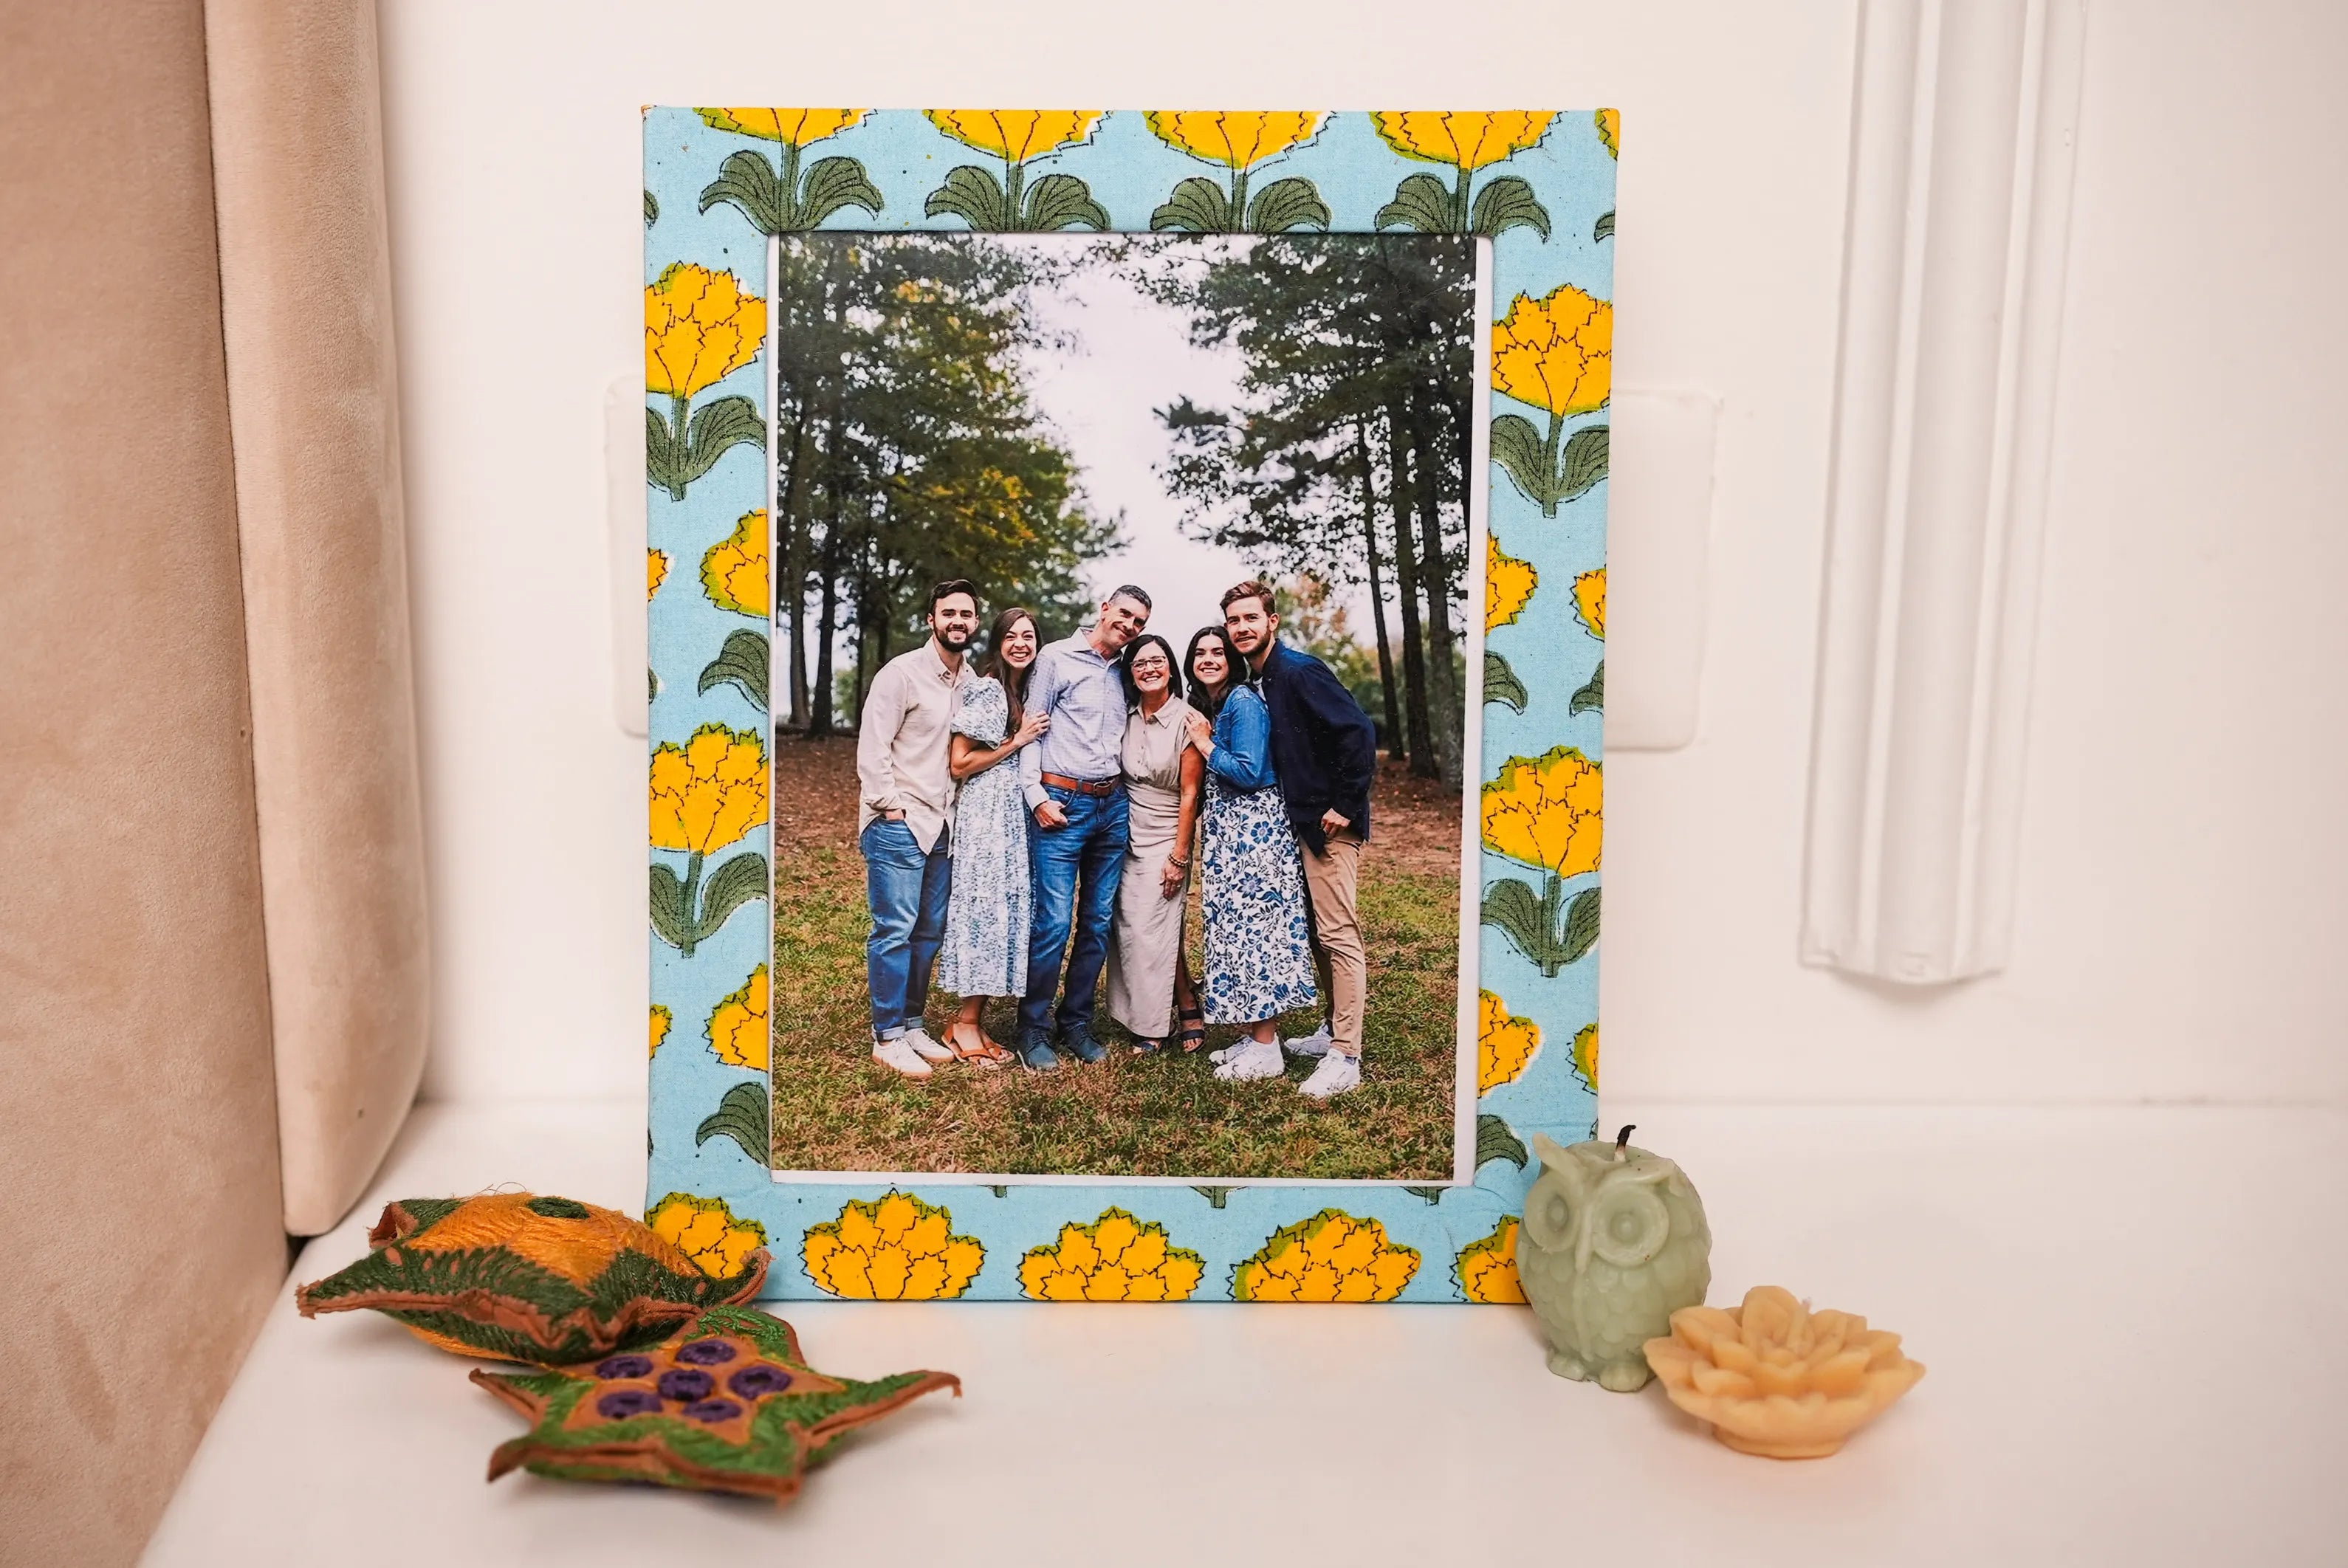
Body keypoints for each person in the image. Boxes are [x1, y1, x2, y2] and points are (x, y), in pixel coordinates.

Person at [1216, 579, 1380, 1099]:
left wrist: (1344, 806)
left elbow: (1359, 732)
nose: (1241, 628)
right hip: (1298, 826)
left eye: (1251, 618)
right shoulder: (1264, 680)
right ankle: (1332, 1029)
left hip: (1329, 826)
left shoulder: (1299, 671)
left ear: (1272, 622)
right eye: (1234, 620)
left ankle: (1346, 1056)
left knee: (1338, 935)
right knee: (1315, 934)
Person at [1013, 585, 1153, 1070]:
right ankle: (1032, 1027)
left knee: (1096, 923)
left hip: (1112, 807)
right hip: (1061, 804)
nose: (1130, 626)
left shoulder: (1127, 670)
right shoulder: (1055, 658)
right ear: (1105, 609)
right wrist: (1036, 797)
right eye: (1125, 614)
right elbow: (1032, 732)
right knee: (1053, 924)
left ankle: (1075, 1023)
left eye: (1139, 623)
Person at [854, 579, 981, 1080]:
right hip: (901, 822)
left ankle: (910, 1025)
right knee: (895, 931)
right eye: (948, 613)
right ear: (932, 620)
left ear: (975, 622)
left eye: (966, 614)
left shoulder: (972, 683)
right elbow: (873, 747)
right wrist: (890, 808)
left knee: (928, 933)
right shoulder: (901, 673)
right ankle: (887, 1037)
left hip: (946, 824)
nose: (958, 621)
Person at [1181, 624, 1318, 1082]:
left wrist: (1204, 742)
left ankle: (1266, 1049)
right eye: (1200, 653)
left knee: (1257, 933)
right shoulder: (1218, 705)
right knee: (1237, 933)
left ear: (1231, 660)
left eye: (1217, 652)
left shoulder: (1242, 701)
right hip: (1232, 834)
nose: (1208, 660)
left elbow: (1249, 772)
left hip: (1255, 834)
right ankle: (1255, 1036)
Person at [934, 606, 1051, 1068]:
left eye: (1029, 637)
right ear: (998, 643)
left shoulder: (1023, 692)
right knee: (985, 911)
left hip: (1012, 816)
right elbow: (959, 763)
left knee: (1002, 914)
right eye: (1012, 636)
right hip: (987, 816)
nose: (1021, 644)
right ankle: (963, 1023)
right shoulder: (988, 690)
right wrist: (1015, 743)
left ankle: (973, 1021)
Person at [1102, 633, 1204, 1051]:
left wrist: (1179, 856)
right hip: (1126, 832)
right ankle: (1186, 999)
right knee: (1137, 927)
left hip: (1166, 832)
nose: (1149, 669)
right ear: (1131, 672)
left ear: (1170, 668)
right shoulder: (1124, 717)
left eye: (1157, 661)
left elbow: (1191, 794)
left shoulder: (1188, 720)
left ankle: (1152, 1027)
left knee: (1151, 927)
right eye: (1140, 663)